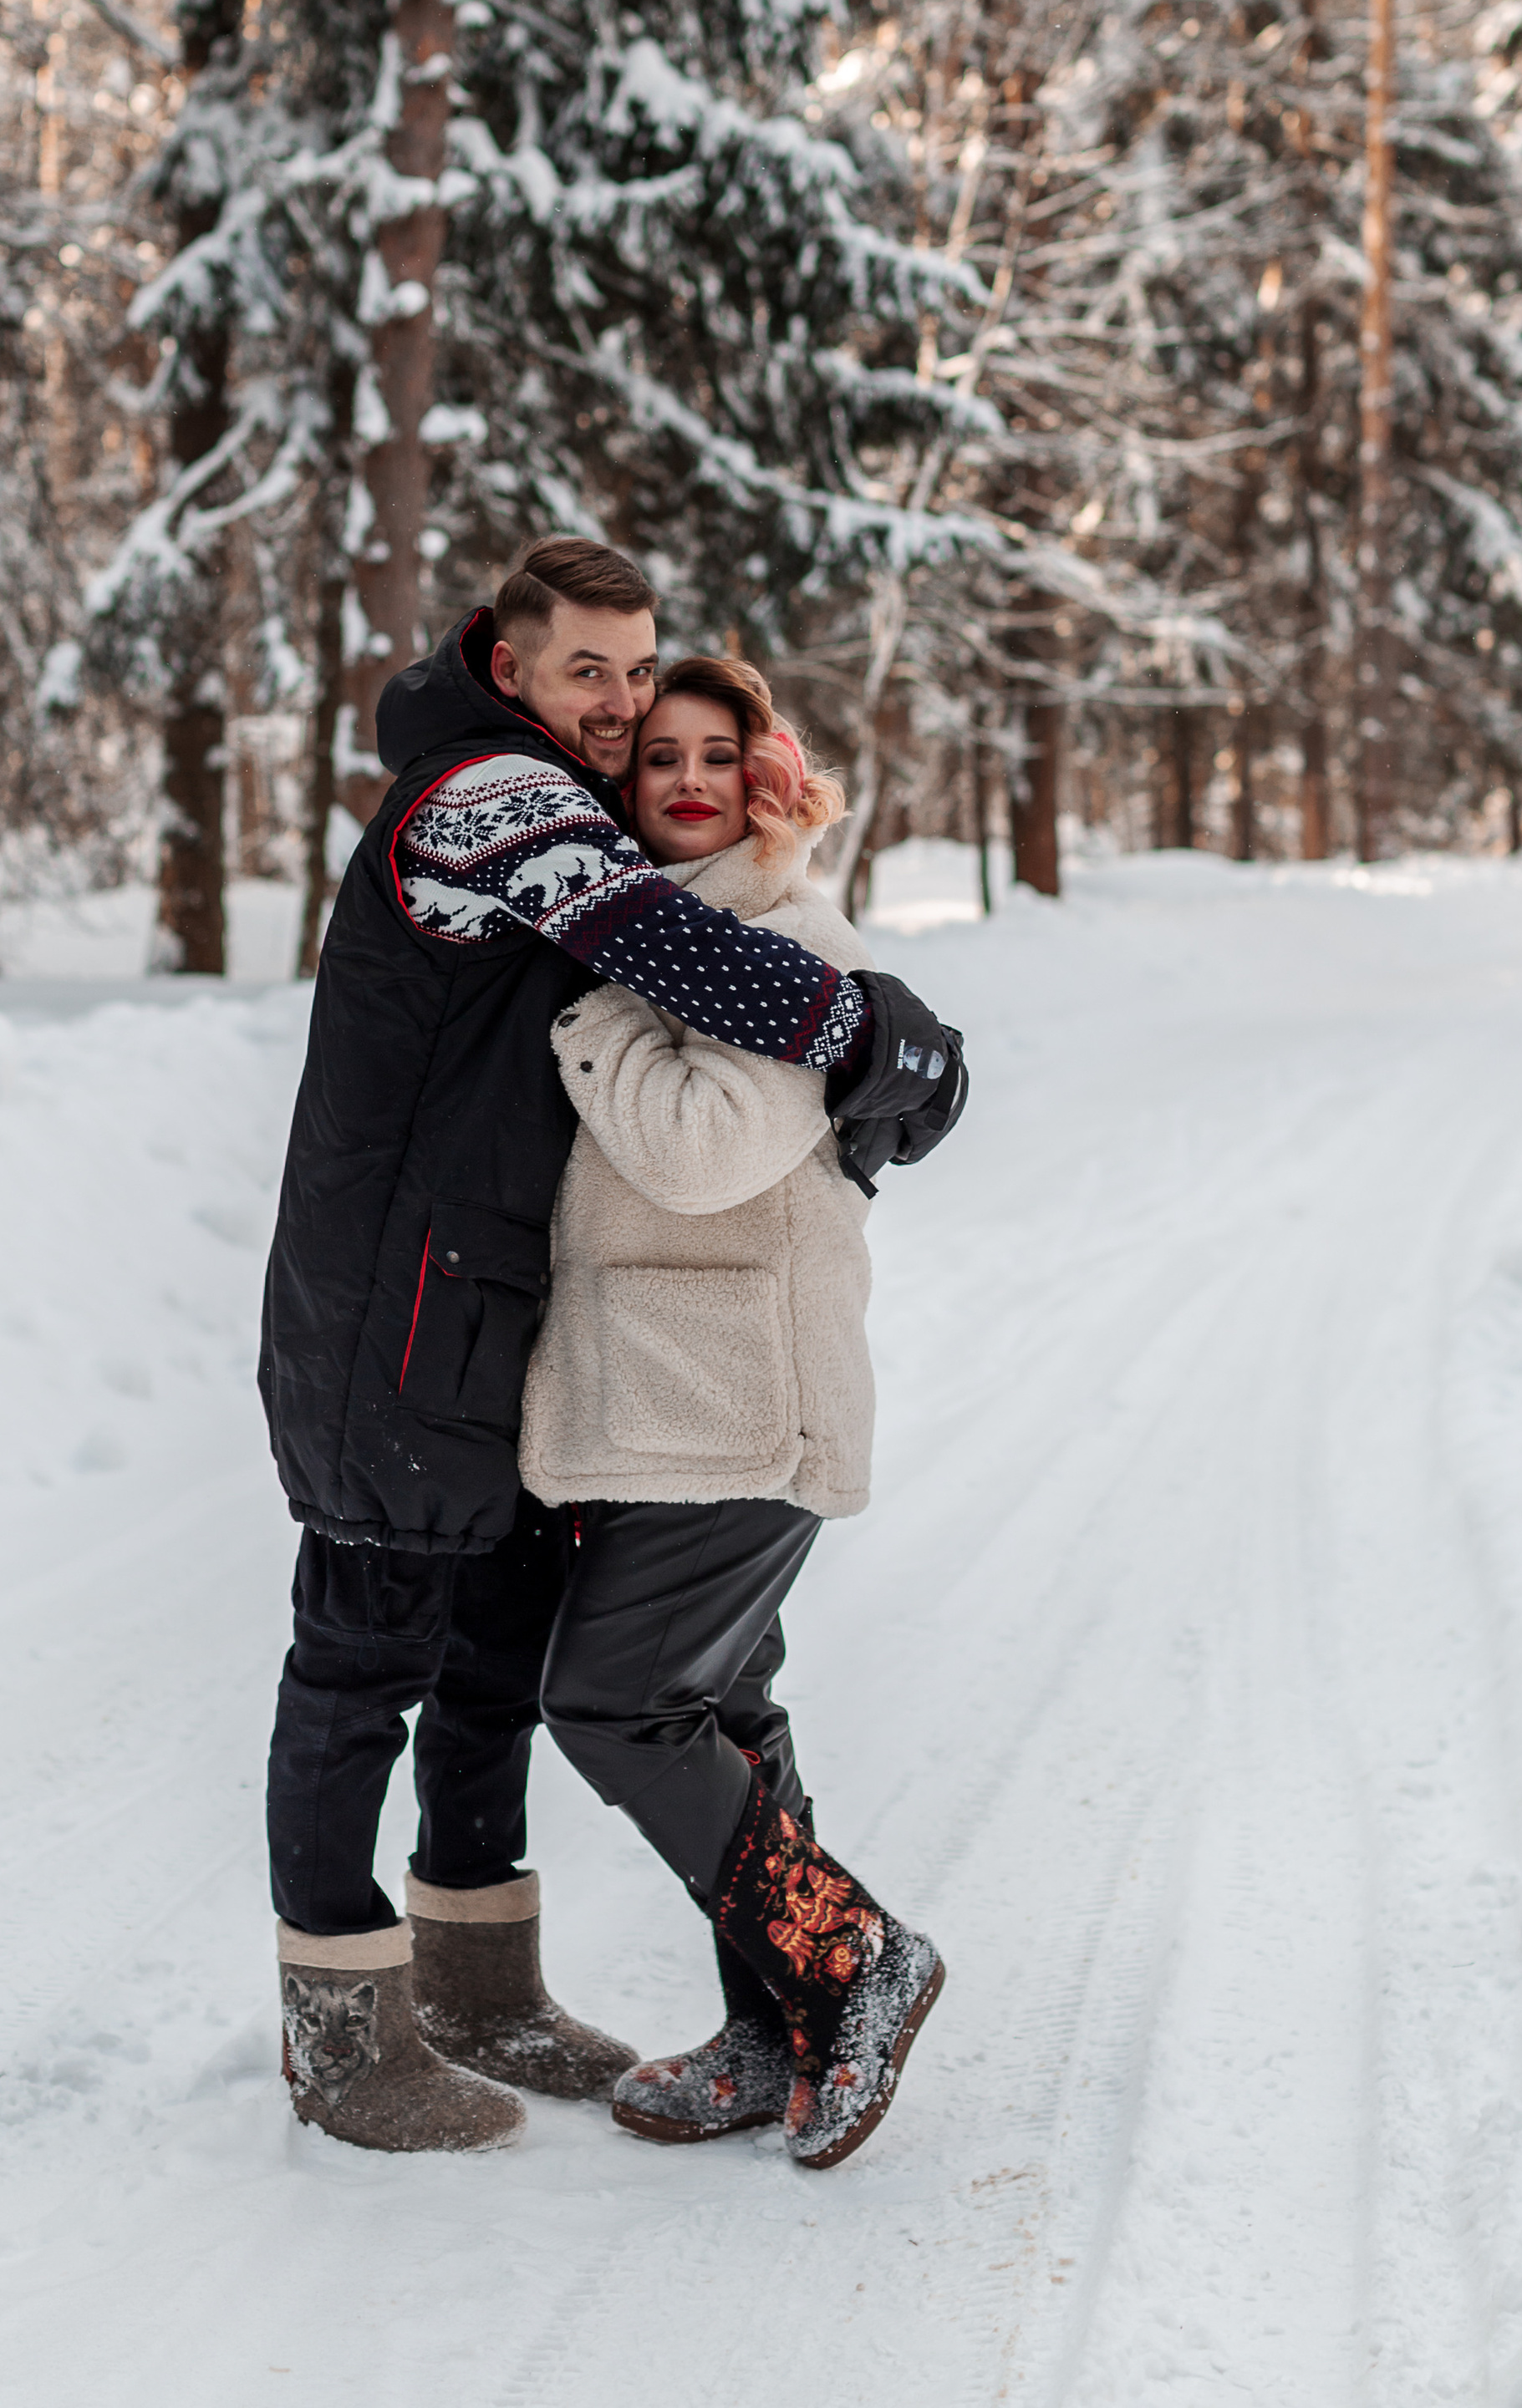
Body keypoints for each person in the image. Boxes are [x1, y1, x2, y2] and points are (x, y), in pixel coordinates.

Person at [258, 538, 964, 2152]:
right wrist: (869, 1027)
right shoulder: (488, 796)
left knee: (497, 1658)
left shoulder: (554, 790)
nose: (624, 702)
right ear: (512, 666)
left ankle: (479, 1982)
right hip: (388, 1310)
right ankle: (341, 2035)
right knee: (363, 1663)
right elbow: (669, 949)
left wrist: (880, 1028)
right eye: (594, 672)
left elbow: (705, 947)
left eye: (640, 669)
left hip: (493, 1315)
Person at [523, 657, 956, 2169]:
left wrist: (597, 1024)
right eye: (660, 761)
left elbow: (706, 1150)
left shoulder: (783, 936)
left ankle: (850, 1957)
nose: (691, 782)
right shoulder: (663, 931)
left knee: (615, 1702)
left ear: (766, 778)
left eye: (721, 755)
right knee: (726, 1715)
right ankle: (774, 2027)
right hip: (671, 1402)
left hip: (744, 1407)